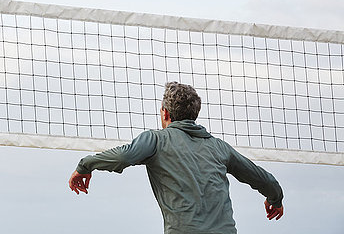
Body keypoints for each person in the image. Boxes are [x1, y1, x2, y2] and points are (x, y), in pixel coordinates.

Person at [69, 82, 284, 234]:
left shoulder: (155, 140)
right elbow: (265, 180)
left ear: (164, 113)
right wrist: (275, 199)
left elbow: (124, 155)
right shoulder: (219, 148)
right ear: (194, 114)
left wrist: (86, 165)